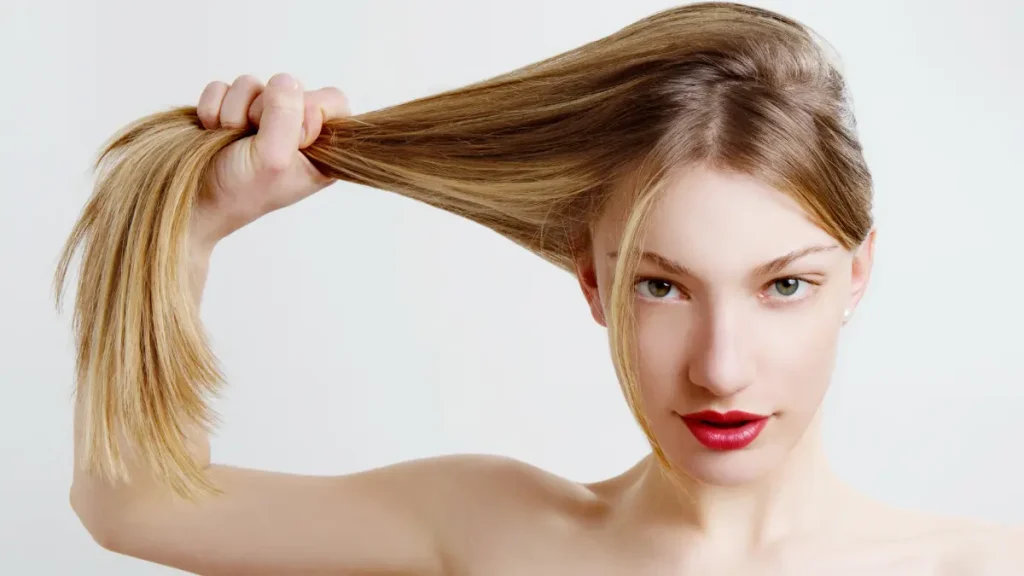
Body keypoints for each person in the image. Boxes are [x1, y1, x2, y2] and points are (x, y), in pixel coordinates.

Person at [60, 3, 1020, 575]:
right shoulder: (492, 527)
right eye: (662, 287)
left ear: (856, 276)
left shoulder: (982, 566)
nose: (722, 367)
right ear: (593, 282)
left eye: (784, 286)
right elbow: (131, 504)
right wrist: (192, 230)